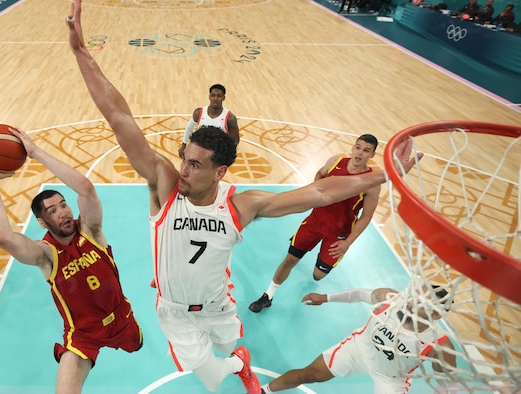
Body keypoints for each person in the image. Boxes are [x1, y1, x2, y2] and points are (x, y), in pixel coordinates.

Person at [66, 1, 422, 393]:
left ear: (220, 172)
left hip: (220, 303)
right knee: (210, 378)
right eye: (185, 160)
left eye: (196, 165)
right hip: (175, 312)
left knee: (225, 343)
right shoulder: (166, 186)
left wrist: (385, 174)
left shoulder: (241, 204)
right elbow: (120, 119)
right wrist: (82, 54)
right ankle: (237, 365)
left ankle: (237, 356)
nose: (184, 170)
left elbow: (319, 192)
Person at [0, 127, 143, 393]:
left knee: (137, 345)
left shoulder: (91, 231)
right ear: (42, 222)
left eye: (63, 205)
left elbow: (86, 189)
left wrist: (36, 153)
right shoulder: (45, 254)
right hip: (83, 336)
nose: (63, 212)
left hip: (122, 319)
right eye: (53, 211)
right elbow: (3, 237)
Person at [248, 134, 381, 313]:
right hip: (314, 223)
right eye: (358, 147)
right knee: (290, 259)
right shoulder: (336, 161)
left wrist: (347, 243)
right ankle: (268, 296)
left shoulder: (371, 182)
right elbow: (321, 173)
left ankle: (321, 264)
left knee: (318, 276)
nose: (359, 153)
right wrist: (315, 192)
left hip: (338, 234)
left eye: (366, 150)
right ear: (353, 147)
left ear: (372, 155)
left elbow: (366, 216)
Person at [259, 286, 456, 393]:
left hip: (390, 378)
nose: (412, 304)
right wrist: (325, 297)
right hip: (359, 349)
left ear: (437, 315)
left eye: (422, 304)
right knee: (310, 374)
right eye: (415, 297)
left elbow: (447, 381)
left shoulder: (439, 346)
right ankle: (263, 391)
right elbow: (360, 294)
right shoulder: (391, 299)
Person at [178, 84, 240, 158]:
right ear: (209, 96)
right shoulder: (199, 112)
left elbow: (234, 141)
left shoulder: (230, 118)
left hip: (216, 155)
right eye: (213, 95)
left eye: (219, 96)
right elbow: (189, 128)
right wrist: (184, 145)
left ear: (223, 98)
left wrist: (227, 155)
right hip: (199, 151)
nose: (215, 98)